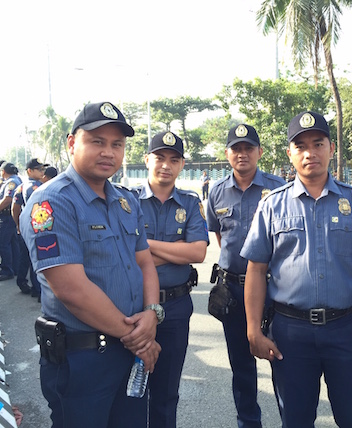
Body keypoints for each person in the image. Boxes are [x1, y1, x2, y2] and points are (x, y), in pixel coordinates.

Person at [20, 101, 163, 428]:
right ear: (72, 143)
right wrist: (140, 337)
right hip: (82, 359)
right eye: (97, 141)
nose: (108, 152)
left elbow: (145, 262)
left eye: (117, 144)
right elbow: (72, 290)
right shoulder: (51, 202)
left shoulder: (126, 201)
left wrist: (153, 312)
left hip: (127, 354)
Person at [241, 111, 352, 427]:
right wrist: (253, 328)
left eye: (318, 143)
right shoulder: (272, 205)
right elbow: (256, 269)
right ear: (290, 153)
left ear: (331, 148)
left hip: (346, 329)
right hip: (291, 333)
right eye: (301, 145)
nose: (310, 153)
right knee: (295, 420)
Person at [206, 123, 285, 428]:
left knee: (282, 362)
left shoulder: (278, 188)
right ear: (227, 154)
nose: (242, 154)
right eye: (236, 149)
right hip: (233, 291)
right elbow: (221, 239)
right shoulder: (217, 192)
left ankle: (291, 419)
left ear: (259, 152)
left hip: (273, 290)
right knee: (241, 365)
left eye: (248, 148)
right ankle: (248, 422)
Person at [132, 131, 209, 428]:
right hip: (134, 305)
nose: (166, 165)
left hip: (176, 307)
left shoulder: (189, 203)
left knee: (166, 391)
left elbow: (199, 251)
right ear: (147, 160)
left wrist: (144, 247)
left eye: (173, 159)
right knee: (132, 389)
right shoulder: (128, 201)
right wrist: (177, 252)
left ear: (182, 165)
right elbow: (122, 253)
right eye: (160, 157)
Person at [11, 158, 49, 296]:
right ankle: (38, 289)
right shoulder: (38, 187)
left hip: (26, 227)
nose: (42, 172)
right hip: (37, 227)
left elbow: (14, 208)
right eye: (39, 169)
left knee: (25, 257)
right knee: (37, 258)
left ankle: (22, 282)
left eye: (43, 169)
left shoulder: (21, 186)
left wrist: (19, 225)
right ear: (29, 171)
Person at [0, 162, 22, 281]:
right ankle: (14, 267)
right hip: (10, 216)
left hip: (7, 216)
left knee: (3, 243)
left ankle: (7, 270)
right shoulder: (16, 179)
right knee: (13, 242)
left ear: (3, 171)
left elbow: (7, 200)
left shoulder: (11, 182)